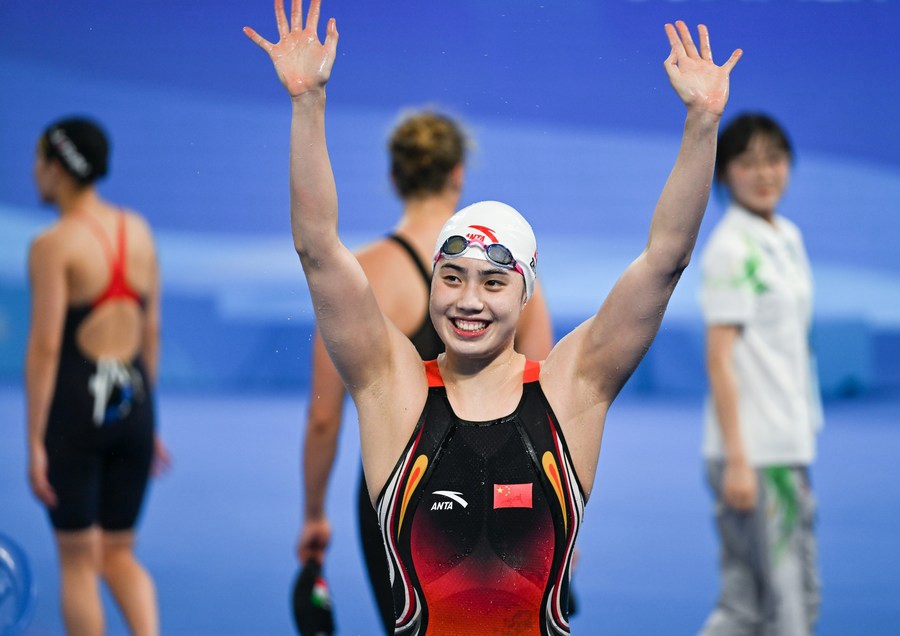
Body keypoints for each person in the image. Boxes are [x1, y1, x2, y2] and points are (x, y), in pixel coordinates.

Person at [244, 1, 741, 632]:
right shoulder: (390, 388)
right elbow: (318, 251)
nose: (468, 300)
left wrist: (702, 121)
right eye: (450, 278)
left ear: (526, 294)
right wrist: (307, 103)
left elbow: (665, 261)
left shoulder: (572, 390)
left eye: (493, 282)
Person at [297, 110, 554, 633]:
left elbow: (324, 417)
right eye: (451, 279)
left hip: (402, 487)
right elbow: (542, 392)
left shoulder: (367, 275)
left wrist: (314, 515)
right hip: (516, 484)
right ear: (458, 173)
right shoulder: (510, 276)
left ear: (394, 177)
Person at [25, 116, 167, 636]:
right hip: (135, 405)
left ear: (57, 168)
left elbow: (44, 348)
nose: (34, 172)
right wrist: (149, 422)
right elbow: (152, 331)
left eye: (39, 161)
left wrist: (35, 441)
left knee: (79, 562)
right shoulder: (140, 231)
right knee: (119, 554)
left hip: (75, 412)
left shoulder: (53, 244)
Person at [698, 113, 822, 635]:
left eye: (774, 159)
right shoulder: (732, 248)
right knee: (789, 608)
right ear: (724, 174)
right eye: (747, 162)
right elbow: (719, 357)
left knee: (746, 606)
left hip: (784, 443)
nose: (764, 172)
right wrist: (739, 460)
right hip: (756, 453)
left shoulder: (786, 236)